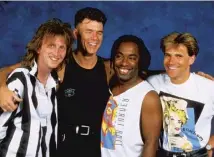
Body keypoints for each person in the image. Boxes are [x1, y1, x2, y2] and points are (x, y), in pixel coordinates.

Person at [0, 18, 73, 157]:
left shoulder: (52, 86)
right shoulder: (21, 79)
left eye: (61, 47)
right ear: (39, 48)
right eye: (51, 45)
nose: (56, 53)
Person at [147, 32, 214, 157]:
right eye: (168, 55)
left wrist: (209, 145)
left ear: (192, 59)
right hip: (162, 153)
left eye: (179, 56)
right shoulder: (153, 83)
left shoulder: (209, 87)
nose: (171, 61)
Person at [101, 35, 162, 157]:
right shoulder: (108, 89)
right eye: (119, 56)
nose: (124, 63)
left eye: (132, 58)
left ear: (140, 61)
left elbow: (151, 143)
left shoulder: (148, 97)